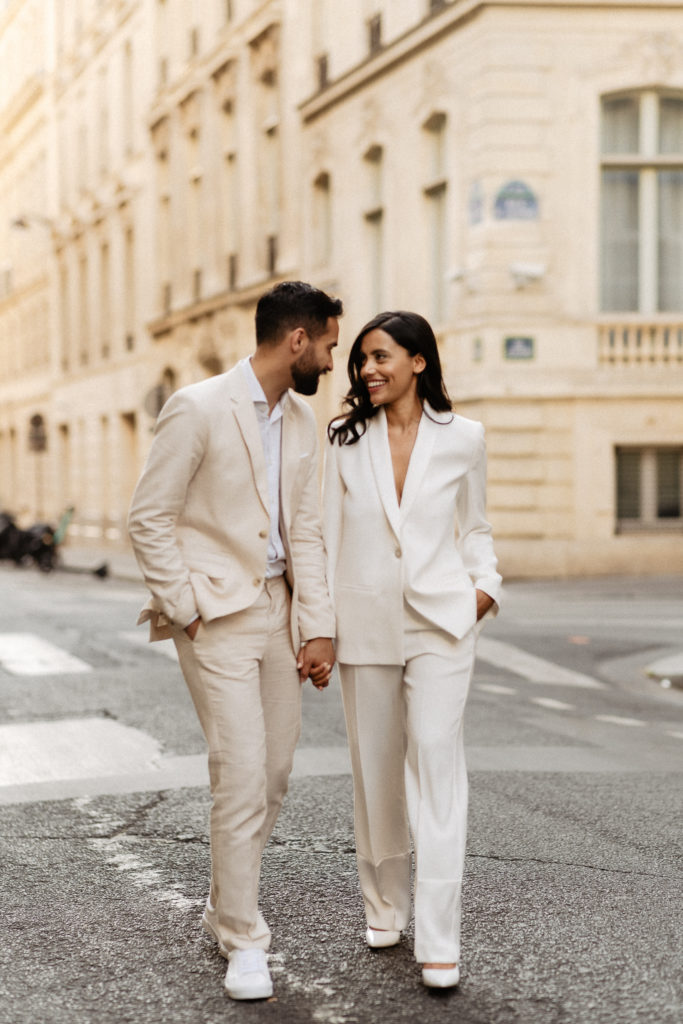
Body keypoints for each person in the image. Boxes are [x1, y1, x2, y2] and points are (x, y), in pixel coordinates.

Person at [128, 281, 343, 1001]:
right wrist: (187, 609)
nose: (332, 360)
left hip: (279, 614)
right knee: (242, 771)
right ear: (296, 341)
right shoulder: (197, 406)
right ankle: (244, 938)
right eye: (328, 345)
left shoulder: (302, 418)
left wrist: (316, 626)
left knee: (274, 772)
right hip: (215, 618)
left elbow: (304, 529)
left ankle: (225, 906)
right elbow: (148, 518)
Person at [323, 310, 501, 989]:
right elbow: (325, 537)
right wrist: (318, 625)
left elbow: (475, 527)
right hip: (363, 624)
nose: (367, 368)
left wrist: (482, 588)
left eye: (380, 356)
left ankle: (439, 940)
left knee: (436, 766)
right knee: (375, 776)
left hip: (441, 624)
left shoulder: (464, 439)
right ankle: (383, 906)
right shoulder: (344, 439)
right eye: (361, 359)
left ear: (418, 362)